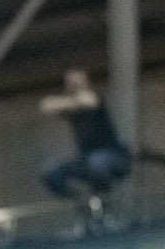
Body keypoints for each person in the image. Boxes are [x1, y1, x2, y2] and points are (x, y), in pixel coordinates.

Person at [38, 69, 128, 202]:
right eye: (71, 83)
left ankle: (103, 201)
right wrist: (71, 102)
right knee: (50, 173)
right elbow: (45, 105)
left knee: (96, 164)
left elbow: (89, 101)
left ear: (87, 82)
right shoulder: (71, 105)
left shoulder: (95, 96)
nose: (74, 86)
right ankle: (79, 201)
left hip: (112, 155)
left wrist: (71, 102)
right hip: (84, 158)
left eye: (78, 82)